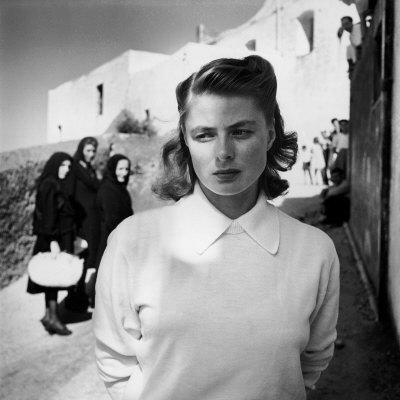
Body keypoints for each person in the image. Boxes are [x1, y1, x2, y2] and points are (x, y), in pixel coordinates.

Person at [93, 55, 340, 400]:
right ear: (186, 140)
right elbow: (116, 362)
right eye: (205, 134)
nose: (223, 152)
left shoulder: (315, 250)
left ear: (269, 135)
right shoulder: (132, 243)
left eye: (240, 131)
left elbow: (311, 362)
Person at [27, 152, 75, 336]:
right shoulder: (50, 184)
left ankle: (49, 316)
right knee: (52, 279)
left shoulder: (55, 183)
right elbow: (46, 215)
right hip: (51, 238)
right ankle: (53, 318)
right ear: (55, 165)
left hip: (54, 236)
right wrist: (53, 241)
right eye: (63, 165)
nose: (66, 169)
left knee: (51, 279)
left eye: (69, 166)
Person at [64, 137, 100, 313]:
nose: (91, 154)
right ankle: (73, 298)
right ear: (81, 149)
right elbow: (68, 195)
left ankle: (81, 296)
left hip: (91, 220)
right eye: (88, 150)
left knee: (87, 259)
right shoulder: (74, 168)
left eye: (93, 151)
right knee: (78, 257)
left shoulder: (90, 168)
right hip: (80, 221)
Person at [95, 154, 134, 276]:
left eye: (126, 169)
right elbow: (111, 220)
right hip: (112, 241)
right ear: (113, 169)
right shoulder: (108, 189)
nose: (124, 173)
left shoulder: (119, 188)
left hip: (120, 240)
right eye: (120, 169)